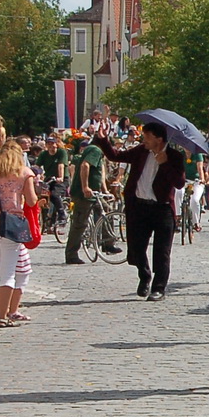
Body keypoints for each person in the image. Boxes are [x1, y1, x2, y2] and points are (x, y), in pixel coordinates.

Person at [119, 122, 186, 301]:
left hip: (162, 208)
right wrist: (101, 139)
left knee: (162, 251)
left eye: (147, 137)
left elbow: (179, 183)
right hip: (139, 207)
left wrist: (164, 164)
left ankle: (159, 287)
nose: (144, 140)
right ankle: (144, 275)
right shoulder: (140, 151)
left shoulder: (174, 156)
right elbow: (115, 155)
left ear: (159, 139)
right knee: (136, 247)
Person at [0, 140, 37, 328]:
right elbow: (31, 201)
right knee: (7, 273)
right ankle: (3, 316)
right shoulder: (24, 172)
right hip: (12, 225)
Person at [64, 134, 119, 263]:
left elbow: (100, 173)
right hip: (84, 194)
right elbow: (85, 165)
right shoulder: (95, 149)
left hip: (94, 193)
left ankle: (108, 243)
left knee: (106, 209)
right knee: (80, 223)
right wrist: (85, 187)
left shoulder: (96, 151)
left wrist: (105, 191)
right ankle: (71, 254)